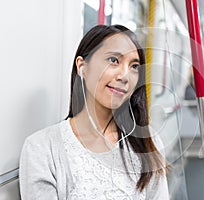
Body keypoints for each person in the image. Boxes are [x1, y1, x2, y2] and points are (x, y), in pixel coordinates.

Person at [19, 25, 169, 199]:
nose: (124, 76)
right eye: (114, 60)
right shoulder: (43, 148)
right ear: (82, 67)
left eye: (134, 66)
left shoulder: (148, 143)